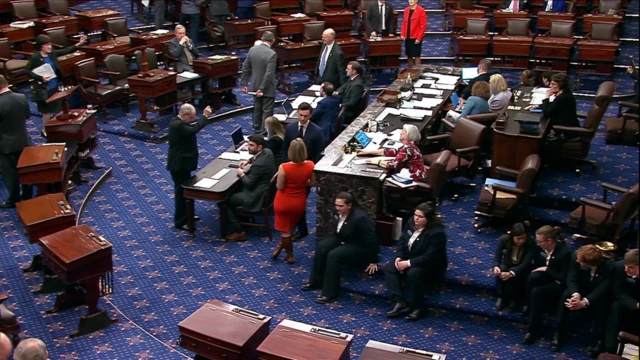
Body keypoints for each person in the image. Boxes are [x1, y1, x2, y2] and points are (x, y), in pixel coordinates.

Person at [301, 192, 379, 304]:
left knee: (334, 255)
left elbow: (370, 239)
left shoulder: (360, 218)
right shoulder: (336, 212)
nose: (337, 208)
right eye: (336, 205)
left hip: (357, 245)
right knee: (322, 246)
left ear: (349, 206)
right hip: (342, 237)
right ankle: (316, 281)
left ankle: (330, 293)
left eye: (341, 206)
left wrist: (373, 260)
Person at [383, 203, 447, 321]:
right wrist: (399, 257)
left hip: (429, 264)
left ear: (428, 219)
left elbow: (430, 256)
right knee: (389, 268)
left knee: (413, 273)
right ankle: (399, 302)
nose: (416, 218)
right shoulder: (411, 222)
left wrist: (408, 263)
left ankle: (418, 307)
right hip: (409, 257)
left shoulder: (437, 233)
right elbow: (402, 241)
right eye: (415, 215)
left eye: (420, 216)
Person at [551, 244, 614, 354]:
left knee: (605, 305)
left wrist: (584, 302)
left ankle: (600, 341)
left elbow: (603, 289)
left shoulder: (610, 267)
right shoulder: (576, 257)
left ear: (590, 264)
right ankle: (559, 333)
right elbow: (571, 278)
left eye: (580, 261)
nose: (577, 261)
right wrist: (576, 294)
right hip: (580, 288)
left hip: (597, 293)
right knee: (566, 297)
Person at [26, 34, 87, 137]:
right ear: (41, 46)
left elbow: (65, 51)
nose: (50, 47)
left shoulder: (52, 54)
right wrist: (40, 78)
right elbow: (27, 70)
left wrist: (78, 44)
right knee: (47, 111)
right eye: (47, 45)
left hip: (55, 84)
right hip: (44, 88)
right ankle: (45, 129)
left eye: (50, 44)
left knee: (58, 107)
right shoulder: (36, 57)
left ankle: (57, 126)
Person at [522, 225, 571, 346]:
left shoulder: (565, 253)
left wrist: (547, 269)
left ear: (549, 241)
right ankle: (532, 323)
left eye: (540, 241)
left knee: (537, 292)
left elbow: (564, 278)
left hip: (559, 284)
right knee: (532, 279)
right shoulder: (539, 248)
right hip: (547, 278)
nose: (537, 244)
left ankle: (540, 330)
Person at [282, 102, 325, 240]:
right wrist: (286, 165)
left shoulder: (317, 131)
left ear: (310, 115)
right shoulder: (290, 128)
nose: (302, 118)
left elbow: (318, 155)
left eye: (305, 116)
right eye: (300, 115)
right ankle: (293, 226)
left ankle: (302, 230)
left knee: (300, 204)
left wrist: (311, 173)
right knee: (292, 203)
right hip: (290, 171)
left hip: (306, 173)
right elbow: (284, 149)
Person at [167, 104, 213, 230]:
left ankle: (188, 215)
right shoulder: (177, 125)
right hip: (178, 165)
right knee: (181, 193)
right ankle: (180, 221)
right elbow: (193, 130)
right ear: (184, 115)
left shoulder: (181, 123)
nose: (193, 120)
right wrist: (205, 117)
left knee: (186, 191)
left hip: (184, 164)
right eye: (191, 117)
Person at [223, 134, 277, 241]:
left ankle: (239, 232)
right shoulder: (268, 152)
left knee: (225, 200)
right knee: (235, 189)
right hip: (264, 191)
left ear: (259, 147)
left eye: (251, 145)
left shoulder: (259, 165)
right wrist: (249, 161)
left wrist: (241, 174)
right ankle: (242, 218)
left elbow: (248, 183)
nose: (248, 147)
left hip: (256, 196)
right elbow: (258, 157)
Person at [272, 139, 315, 264]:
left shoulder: (284, 167)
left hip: (283, 202)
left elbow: (280, 187)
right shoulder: (311, 165)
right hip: (299, 201)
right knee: (288, 228)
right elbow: (312, 183)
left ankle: (290, 255)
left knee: (285, 231)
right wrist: (300, 183)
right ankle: (279, 248)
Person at [0, 75, 33, 209]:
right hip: (23, 140)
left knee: (11, 174)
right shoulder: (21, 97)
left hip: (5, 145)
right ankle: (27, 196)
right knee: (26, 170)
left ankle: (13, 200)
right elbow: (27, 116)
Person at [357, 124, 426, 181]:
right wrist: (367, 152)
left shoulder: (408, 148)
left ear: (408, 134)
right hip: (418, 173)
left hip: (414, 176)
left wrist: (376, 161)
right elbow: (391, 152)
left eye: (403, 131)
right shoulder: (409, 145)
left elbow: (392, 165)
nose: (400, 132)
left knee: (382, 179)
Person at [604, 249, 639, 355]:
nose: (626, 269)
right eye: (626, 265)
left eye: (631, 267)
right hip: (626, 300)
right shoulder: (619, 267)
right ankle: (610, 348)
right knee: (616, 307)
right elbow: (618, 292)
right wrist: (636, 304)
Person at [492, 223, 534, 311]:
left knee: (518, 274)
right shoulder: (504, 240)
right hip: (508, 263)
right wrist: (496, 266)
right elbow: (497, 257)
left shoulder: (530, 243)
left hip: (521, 266)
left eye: (524, 238)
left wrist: (511, 273)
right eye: (519, 238)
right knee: (501, 270)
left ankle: (514, 299)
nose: (522, 241)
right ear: (512, 236)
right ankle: (501, 297)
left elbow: (526, 263)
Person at [241, 31, 277, 133]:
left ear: (262, 39)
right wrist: (262, 88)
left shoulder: (252, 49)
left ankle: (256, 128)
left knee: (257, 108)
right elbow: (269, 74)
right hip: (266, 88)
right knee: (267, 110)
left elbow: (245, 67)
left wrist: (244, 83)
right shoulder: (272, 54)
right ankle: (264, 132)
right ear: (273, 41)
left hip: (254, 85)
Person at [400, 0, 427, 68]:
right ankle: (410, 71)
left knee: (417, 55)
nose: (410, 1)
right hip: (408, 36)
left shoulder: (421, 10)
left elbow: (423, 26)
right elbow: (404, 23)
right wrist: (402, 34)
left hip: (416, 36)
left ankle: (418, 71)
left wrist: (419, 38)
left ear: (416, 0)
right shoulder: (406, 10)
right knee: (409, 55)